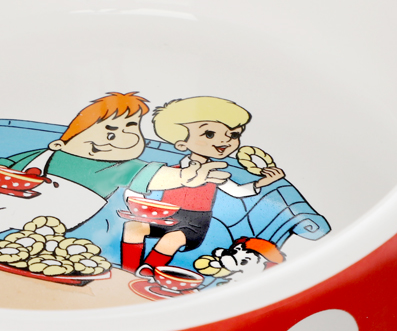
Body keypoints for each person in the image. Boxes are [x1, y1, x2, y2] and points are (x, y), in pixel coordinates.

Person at [0, 91, 231, 241]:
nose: (118, 138)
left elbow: (159, 175)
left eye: (130, 129)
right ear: (63, 142)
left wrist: (190, 175)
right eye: (109, 130)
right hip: (14, 190)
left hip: (61, 209)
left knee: (5, 219)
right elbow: (6, 164)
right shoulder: (52, 153)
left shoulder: (122, 167)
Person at [120, 95, 285, 273]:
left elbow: (237, 191)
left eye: (234, 134)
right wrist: (134, 201)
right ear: (181, 144)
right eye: (209, 134)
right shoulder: (172, 172)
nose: (225, 141)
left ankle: (149, 270)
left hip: (193, 224)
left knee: (171, 240)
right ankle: (129, 270)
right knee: (132, 227)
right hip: (164, 217)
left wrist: (262, 182)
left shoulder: (214, 174)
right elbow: (138, 187)